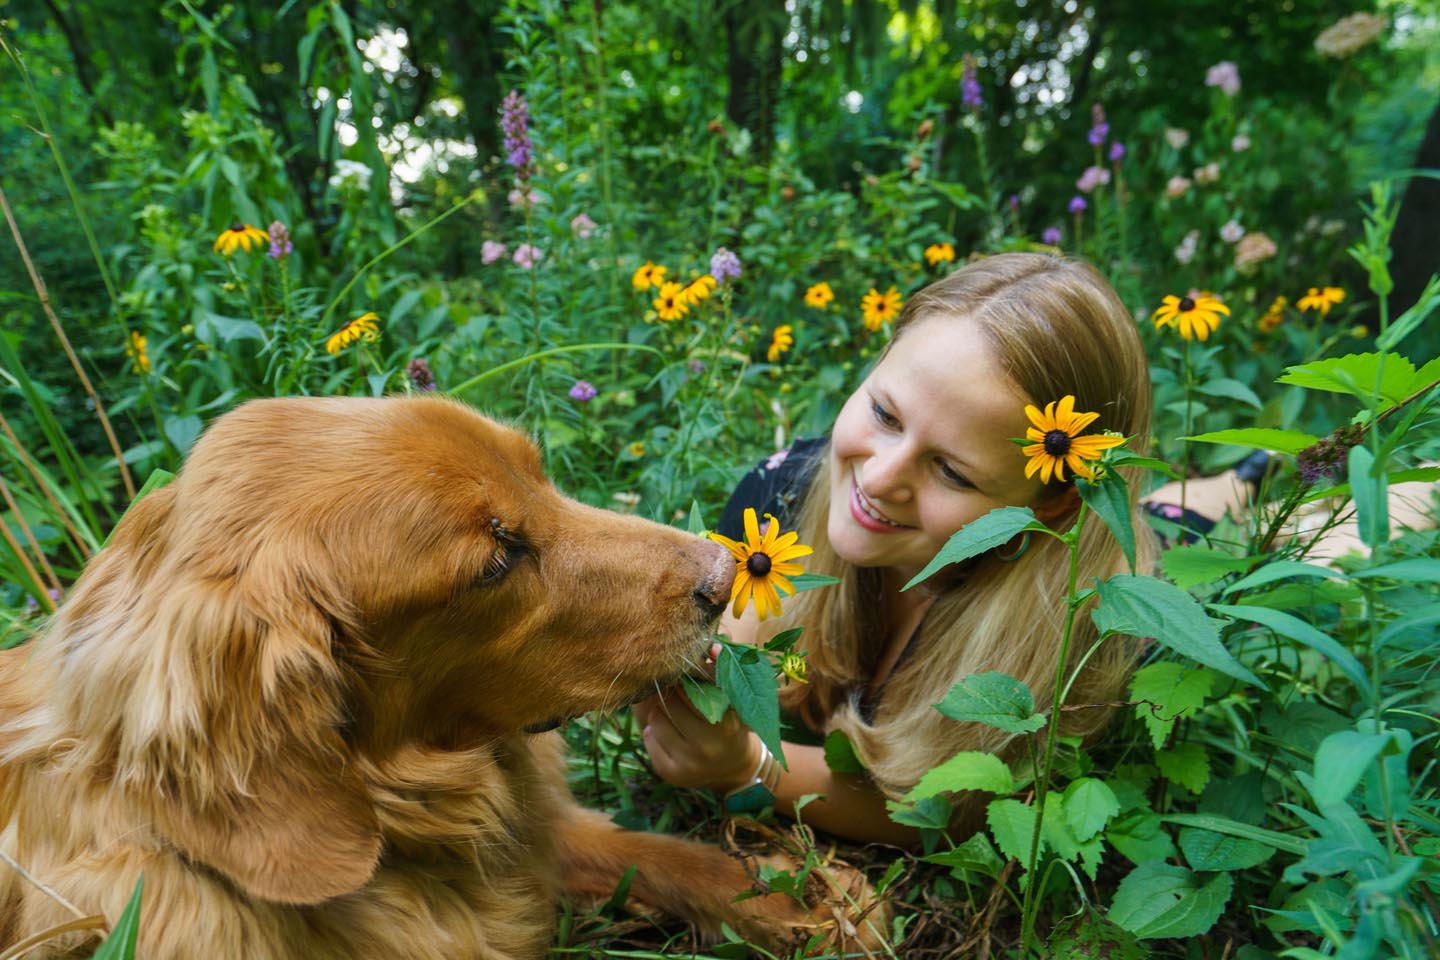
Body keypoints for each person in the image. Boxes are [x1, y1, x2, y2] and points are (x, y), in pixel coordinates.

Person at [633, 252, 1159, 847]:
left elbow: (942, 814)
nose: (880, 478)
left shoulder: (1083, 627)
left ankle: (1244, 482)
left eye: (953, 472)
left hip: (1147, 552)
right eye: (884, 413)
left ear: (1052, 504)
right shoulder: (775, 498)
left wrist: (746, 768)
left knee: (1181, 516)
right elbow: (731, 666)